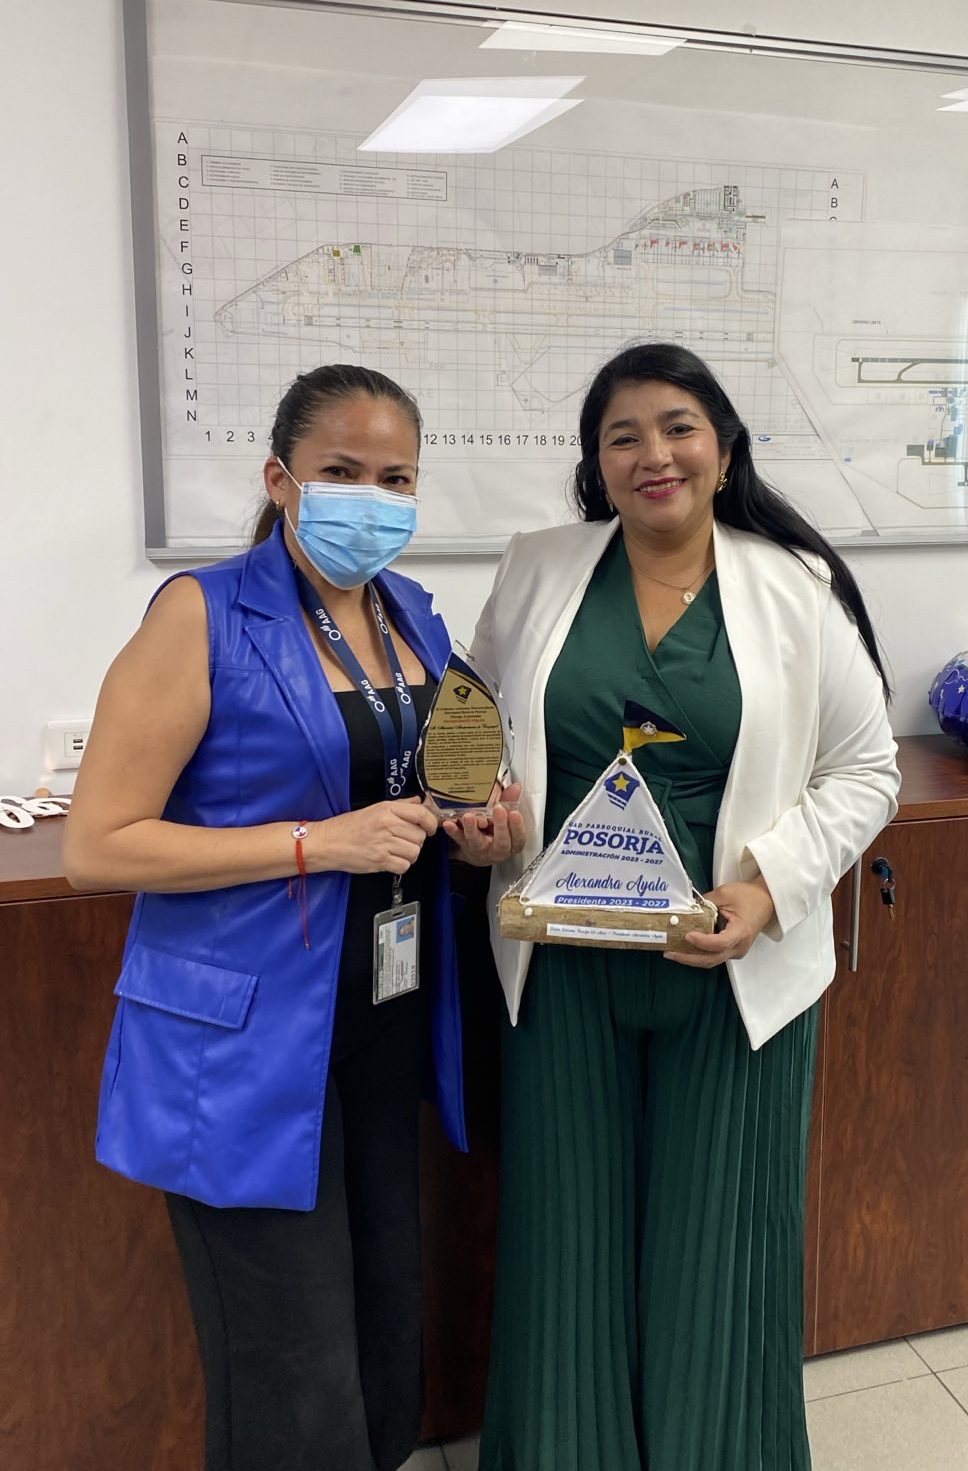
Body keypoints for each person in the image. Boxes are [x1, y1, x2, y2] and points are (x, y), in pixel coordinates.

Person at [64, 364, 524, 1471]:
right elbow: (97, 845)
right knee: (292, 1367)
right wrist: (318, 843)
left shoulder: (414, 616)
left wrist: (475, 832)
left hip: (381, 1020)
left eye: (396, 478)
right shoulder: (202, 614)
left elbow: (430, 785)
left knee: (382, 1334)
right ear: (281, 480)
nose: (374, 497)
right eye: (342, 471)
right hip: (242, 1039)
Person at [470, 342, 900, 1471]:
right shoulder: (537, 569)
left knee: (721, 1245)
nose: (652, 454)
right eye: (622, 436)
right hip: (562, 963)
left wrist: (768, 888)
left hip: (733, 968)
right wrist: (485, 819)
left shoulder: (795, 587)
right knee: (565, 1239)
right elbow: (474, 748)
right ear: (596, 464)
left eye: (677, 428)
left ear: (724, 448)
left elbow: (868, 770)